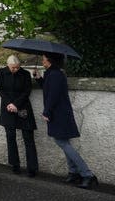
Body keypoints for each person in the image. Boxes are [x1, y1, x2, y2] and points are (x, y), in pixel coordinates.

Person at [35, 52, 98, 189]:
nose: (43, 61)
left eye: (44, 59)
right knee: (64, 142)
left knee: (62, 142)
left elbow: (54, 95)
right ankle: (74, 172)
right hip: (58, 113)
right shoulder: (51, 73)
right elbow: (48, 90)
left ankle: (88, 175)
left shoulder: (56, 74)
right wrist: (39, 79)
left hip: (60, 114)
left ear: (50, 60)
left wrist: (47, 112)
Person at [0, 55, 38, 176]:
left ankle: (32, 168)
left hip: (23, 108)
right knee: (10, 137)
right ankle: (15, 165)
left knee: (28, 138)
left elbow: (27, 90)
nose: (15, 69)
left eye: (17, 67)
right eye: (13, 67)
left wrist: (16, 104)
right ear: (8, 65)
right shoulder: (2, 73)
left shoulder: (25, 74)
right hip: (7, 108)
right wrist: (9, 103)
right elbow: (0, 89)